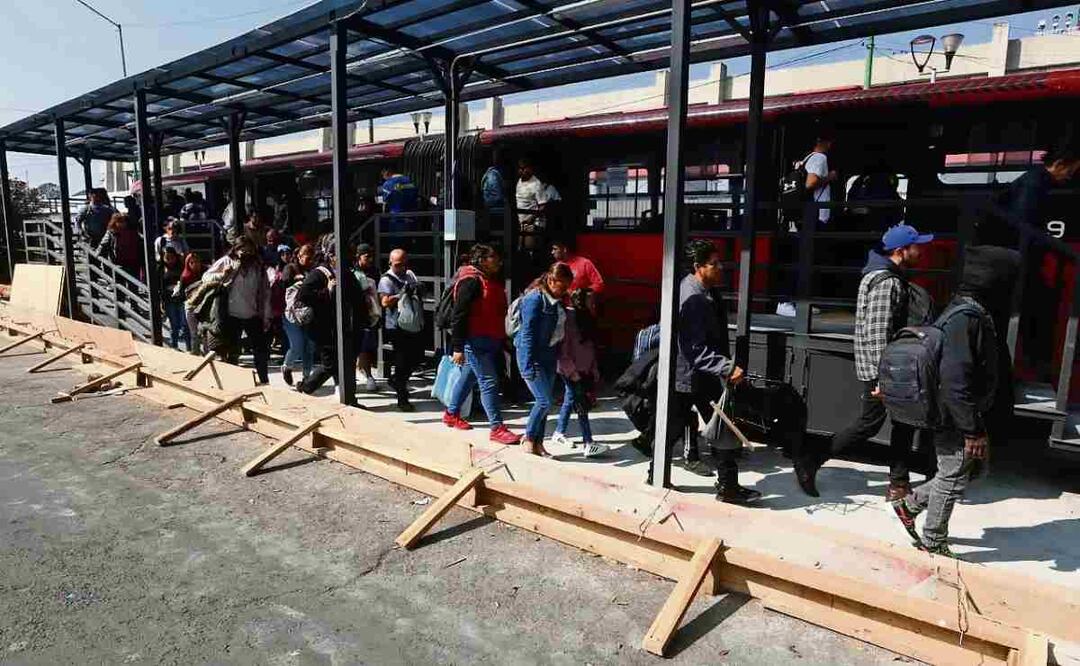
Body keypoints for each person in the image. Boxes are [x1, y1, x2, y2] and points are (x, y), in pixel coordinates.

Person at [891, 246, 1021, 557]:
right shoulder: (965, 319)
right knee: (954, 473)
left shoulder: (969, 310)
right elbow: (955, 381)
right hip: (954, 414)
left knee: (970, 470)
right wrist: (971, 430)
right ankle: (933, 539)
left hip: (964, 411)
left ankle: (910, 504)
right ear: (993, 281)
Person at [795, 223, 936, 499]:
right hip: (884, 370)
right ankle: (812, 458)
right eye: (916, 246)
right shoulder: (887, 282)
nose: (921, 250)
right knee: (870, 423)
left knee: (903, 424)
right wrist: (883, 380)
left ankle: (898, 483)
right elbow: (877, 333)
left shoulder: (886, 276)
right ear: (900, 251)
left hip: (891, 368)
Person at [663, 239, 758, 503]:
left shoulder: (706, 290)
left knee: (722, 429)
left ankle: (728, 487)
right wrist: (726, 367)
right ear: (698, 267)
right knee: (674, 430)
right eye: (714, 264)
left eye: (719, 263)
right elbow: (694, 348)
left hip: (701, 375)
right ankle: (657, 475)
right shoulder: (692, 297)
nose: (720, 268)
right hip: (690, 376)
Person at [444, 244, 521, 445]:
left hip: (489, 339)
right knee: (489, 382)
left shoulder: (489, 280)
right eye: (493, 257)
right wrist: (458, 348)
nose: (498, 261)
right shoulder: (470, 282)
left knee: (468, 378)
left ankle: (451, 413)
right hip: (475, 341)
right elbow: (459, 316)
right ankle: (496, 427)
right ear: (481, 260)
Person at [777, 132, 837, 317]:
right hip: (811, 218)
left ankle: (799, 302)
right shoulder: (819, 158)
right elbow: (810, 183)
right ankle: (785, 302)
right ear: (822, 142)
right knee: (802, 260)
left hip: (801, 218)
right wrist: (830, 177)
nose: (831, 143)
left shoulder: (805, 160)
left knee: (803, 259)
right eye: (829, 140)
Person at [516, 263, 573, 457]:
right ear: (551, 280)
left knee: (545, 404)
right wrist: (527, 363)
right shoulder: (534, 299)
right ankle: (529, 437)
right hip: (533, 357)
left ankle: (539, 444)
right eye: (562, 285)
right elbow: (527, 334)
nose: (565, 290)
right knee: (544, 401)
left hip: (549, 357)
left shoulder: (556, 301)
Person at [295, 253, 365, 398]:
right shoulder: (319, 274)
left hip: (346, 326)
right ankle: (307, 387)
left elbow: (357, 297)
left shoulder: (347, 273)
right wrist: (326, 291)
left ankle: (348, 398)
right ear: (331, 256)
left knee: (346, 361)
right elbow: (303, 296)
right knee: (331, 364)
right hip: (325, 328)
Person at [551, 288, 609, 458]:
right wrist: (572, 372)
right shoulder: (570, 318)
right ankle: (588, 442)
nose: (593, 304)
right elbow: (563, 350)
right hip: (572, 370)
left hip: (583, 369)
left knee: (571, 399)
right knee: (581, 403)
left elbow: (590, 347)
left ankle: (559, 432)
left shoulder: (588, 319)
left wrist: (593, 368)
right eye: (590, 301)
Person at [204, 238, 272, 384]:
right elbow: (206, 277)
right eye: (243, 249)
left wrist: (266, 315)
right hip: (231, 314)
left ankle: (264, 380)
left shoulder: (258, 266)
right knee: (232, 351)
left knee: (260, 350)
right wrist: (222, 274)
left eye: (249, 249)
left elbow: (265, 292)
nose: (246, 252)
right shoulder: (227, 261)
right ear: (236, 249)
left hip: (253, 313)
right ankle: (231, 383)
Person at [378, 248, 422, 411]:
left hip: (412, 322)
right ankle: (402, 398)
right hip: (396, 326)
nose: (402, 268)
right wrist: (401, 294)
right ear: (390, 263)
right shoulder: (386, 279)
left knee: (417, 357)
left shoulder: (409, 275)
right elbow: (385, 302)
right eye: (398, 265)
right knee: (402, 362)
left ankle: (396, 380)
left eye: (404, 264)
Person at [280, 244, 317, 386]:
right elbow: (283, 284)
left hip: (308, 313)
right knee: (297, 345)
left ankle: (307, 377)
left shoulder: (314, 271)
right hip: (291, 314)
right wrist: (296, 279)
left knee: (309, 346)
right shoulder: (290, 268)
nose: (309, 258)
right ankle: (287, 366)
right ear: (299, 255)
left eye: (311, 255)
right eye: (306, 254)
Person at [352, 243, 381, 392]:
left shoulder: (374, 271)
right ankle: (368, 375)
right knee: (363, 346)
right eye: (366, 256)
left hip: (372, 313)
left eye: (371, 256)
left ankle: (363, 369)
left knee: (369, 346)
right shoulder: (352, 272)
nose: (370, 259)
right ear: (358, 257)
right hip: (356, 315)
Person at [516, 158, 550, 251]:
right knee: (519, 248)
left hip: (533, 223)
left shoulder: (536, 184)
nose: (522, 170)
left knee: (529, 248)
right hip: (520, 222)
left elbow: (543, 205)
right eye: (520, 168)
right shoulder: (518, 181)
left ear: (530, 169)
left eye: (524, 168)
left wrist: (531, 218)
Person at [160, 247, 190, 350]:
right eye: (167, 258)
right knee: (174, 325)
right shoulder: (160, 268)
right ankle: (174, 346)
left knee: (185, 324)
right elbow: (160, 286)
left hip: (181, 298)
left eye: (172, 257)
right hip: (169, 300)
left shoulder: (181, 267)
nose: (169, 260)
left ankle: (189, 348)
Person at [96, 213, 143, 277]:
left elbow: (139, 244)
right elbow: (103, 244)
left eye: (124, 221)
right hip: (118, 262)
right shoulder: (111, 232)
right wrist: (98, 253)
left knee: (132, 283)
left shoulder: (134, 232)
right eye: (120, 221)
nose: (122, 223)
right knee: (119, 282)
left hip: (133, 262)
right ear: (115, 222)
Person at [180, 253, 205, 355]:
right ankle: (195, 352)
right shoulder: (185, 276)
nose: (195, 264)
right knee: (194, 332)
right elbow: (182, 294)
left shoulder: (205, 273)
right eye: (192, 262)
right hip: (191, 307)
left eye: (197, 262)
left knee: (204, 331)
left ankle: (207, 353)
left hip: (204, 306)